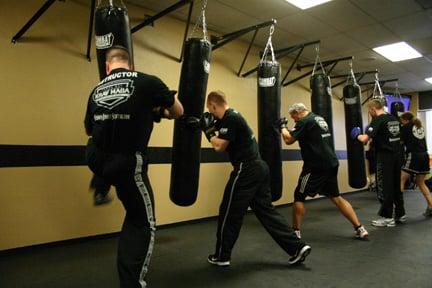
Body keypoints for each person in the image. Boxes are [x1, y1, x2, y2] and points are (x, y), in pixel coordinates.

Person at [84, 46, 183, 287]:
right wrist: (161, 110)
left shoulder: (96, 90)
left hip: (96, 159)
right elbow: (179, 111)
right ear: (131, 64)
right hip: (128, 164)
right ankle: (132, 283)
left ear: (107, 66)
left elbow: (89, 128)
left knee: (103, 147)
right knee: (143, 222)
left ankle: (101, 182)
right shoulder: (147, 82)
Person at [199, 90, 311, 267]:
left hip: (246, 169)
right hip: (259, 168)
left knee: (229, 212)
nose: (211, 114)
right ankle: (297, 247)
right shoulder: (231, 117)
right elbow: (221, 131)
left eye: (211, 110)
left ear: (213, 105)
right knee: (267, 212)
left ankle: (222, 256)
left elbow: (219, 146)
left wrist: (208, 131)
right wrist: (201, 125)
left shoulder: (231, 118)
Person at [277, 103, 368, 239]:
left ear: (298, 112)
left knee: (299, 196)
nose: (294, 120)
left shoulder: (304, 121)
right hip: (331, 163)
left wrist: (282, 127)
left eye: (294, 117)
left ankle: (295, 232)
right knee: (336, 197)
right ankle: (360, 228)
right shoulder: (319, 119)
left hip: (315, 166)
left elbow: (289, 139)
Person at [352, 99, 405, 227]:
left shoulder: (377, 120)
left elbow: (364, 139)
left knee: (384, 186)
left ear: (372, 109)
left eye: (369, 111)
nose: (370, 113)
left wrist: (356, 135)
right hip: (397, 156)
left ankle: (387, 217)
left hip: (385, 157)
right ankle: (400, 214)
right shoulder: (393, 118)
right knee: (396, 185)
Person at [399, 111, 432, 217]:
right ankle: (431, 206)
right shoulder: (419, 126)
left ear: (406, 120)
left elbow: (399, 142)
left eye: (402, 121)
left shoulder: (406, 127)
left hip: (414, 156)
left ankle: (398, 210)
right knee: (420, 183)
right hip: (424, 155)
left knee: (401, 179)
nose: (401, 123)